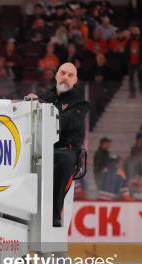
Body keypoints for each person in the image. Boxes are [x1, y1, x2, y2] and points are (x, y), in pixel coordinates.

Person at [39, 62, 90, 227]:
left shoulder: (80, 104)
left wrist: (39, 110)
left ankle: (54, 212)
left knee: (62, 160)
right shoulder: (46, 97)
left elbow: (66, 122)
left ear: (75, 81)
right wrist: (30, 105)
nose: (65, 77)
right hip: (41, 147)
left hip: (65, 149)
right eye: (63, 73)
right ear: (56, 76)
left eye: (70, 75)